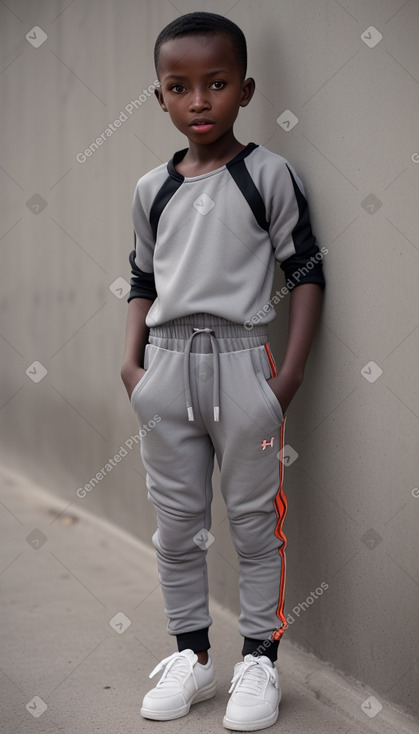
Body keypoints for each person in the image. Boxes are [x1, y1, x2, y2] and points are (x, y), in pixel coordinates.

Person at [120, 11, 325, 731]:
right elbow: (141, 277)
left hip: (243, 365)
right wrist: (132, 364)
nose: (198, 101)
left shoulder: (266, 175)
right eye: (179, 87)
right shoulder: (152, 188)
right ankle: (191, 657)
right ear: (161, 98)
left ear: (244, 89)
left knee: (251, 524)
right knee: (176, 526)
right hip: (165, 368)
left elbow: (303, 271)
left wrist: (288, 374)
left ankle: (259, 662)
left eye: (216, 83)